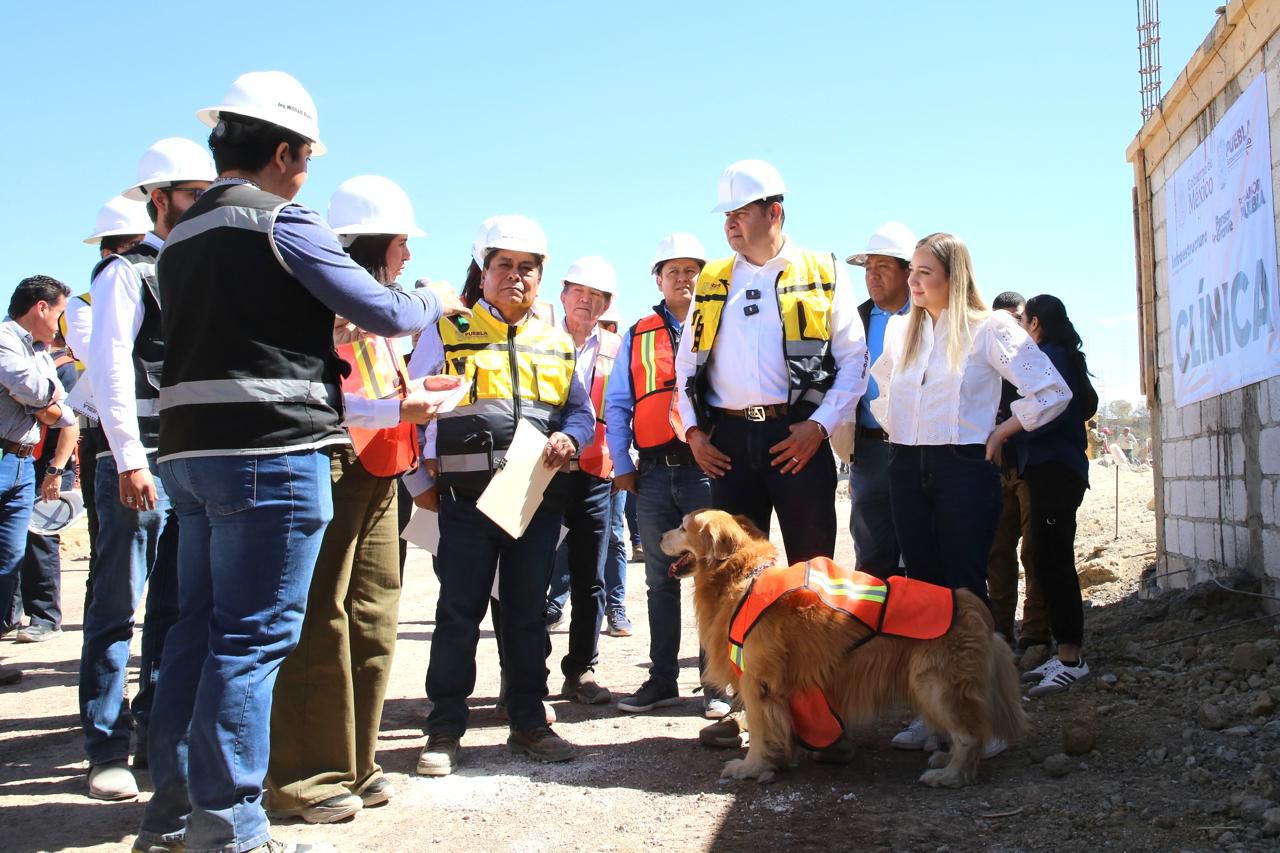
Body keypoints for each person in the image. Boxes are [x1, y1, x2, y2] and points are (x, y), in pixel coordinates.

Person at [134, 71, 457, 853]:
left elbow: (241, 331)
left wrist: (322, 332)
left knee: (194, 635)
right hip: (272, 456)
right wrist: (432, 298)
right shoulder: (281, 220)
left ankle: (171, 815)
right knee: (251, 642)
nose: (306, 173)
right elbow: (383, 307)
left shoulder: (181, 236)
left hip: (190, 456)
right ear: (282, 153)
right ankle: (232, 828)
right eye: (306, 157)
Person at [265, 176, 461, 824]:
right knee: (321, 618)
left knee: (372, 616)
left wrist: (411, 398)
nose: (408, 255)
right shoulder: (320, 302)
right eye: (402, 242)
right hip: (334, 462)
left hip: (381, 465)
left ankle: (355, 761)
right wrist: (397, 409)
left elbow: (372, 383)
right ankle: (304, 778)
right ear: (375, 242)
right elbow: (315, 397)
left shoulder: (374, 309)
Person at [870, 233, 1072, 756]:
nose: (913, 281)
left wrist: (1002, 431)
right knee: (921, 590)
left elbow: (1053, 390)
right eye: (911, 271)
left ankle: (986, 719)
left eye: (924, 272)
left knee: (964, 591)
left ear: (953, 277)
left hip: (963, 467)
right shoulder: (900, 330)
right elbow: (884, 393)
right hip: (906, 465)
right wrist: (901, 437)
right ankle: (934, 711)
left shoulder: (990, 328)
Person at [409, 215, 595, 777]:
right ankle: (444, 729)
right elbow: (410, 408)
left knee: (526, 615)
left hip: (533, 503)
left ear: (541, 277)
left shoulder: (557, 342)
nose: (516, 276)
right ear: (483, 272)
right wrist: (419, 484)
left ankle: (529, 721)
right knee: (457, 614)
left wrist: (571, 437)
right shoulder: (447, 331)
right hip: (464, 503)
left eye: (527, 268)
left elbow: (580, 412)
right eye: (504, 265)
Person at [80, 137, 214, 802]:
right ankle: (105, 744)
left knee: (175, 606)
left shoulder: (202, 270)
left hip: (189, 460)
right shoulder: (126, 273)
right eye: (193, 194)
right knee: (116, 604)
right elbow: (108, 368)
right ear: (159, 200)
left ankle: (158, 736)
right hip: (140, 459)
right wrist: (130, 460)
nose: (205, 205)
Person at [675, 160, 868, 564]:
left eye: (741, 212)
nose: (730, 223)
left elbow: (854, 359)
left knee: (812, 570)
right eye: (727, 215)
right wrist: (693, 432)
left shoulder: (824, 270)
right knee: (733, 572)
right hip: (727, 444)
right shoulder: (711, 278)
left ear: (774, 212)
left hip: (798, 438)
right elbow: (686, 365)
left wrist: (820, 426)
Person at [608, 233, 731, 720]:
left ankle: (715, 684)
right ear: (657, 279)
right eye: (672, 270)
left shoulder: (721, 324)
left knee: (713, 577)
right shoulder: (637, 334)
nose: (683, 278)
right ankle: (662, 679)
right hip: (655, 473)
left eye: (691, 270)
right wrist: (621, 464)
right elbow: (618, 403)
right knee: (661, 580)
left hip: (707, 469)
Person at [539, 256, 620, 701]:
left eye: (596, 296)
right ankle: (530, 671)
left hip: (594, 475)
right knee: (532, 574)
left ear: (606, 304)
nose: (586, 302)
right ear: (564, 295)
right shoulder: (538, 339)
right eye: (579, 293)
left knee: (591, 578)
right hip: (542, 472)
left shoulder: (617, 348)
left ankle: (582, 670)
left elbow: (623, 407)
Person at [64, 197, 152, 592]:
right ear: (108, 253)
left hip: (158, 428)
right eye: (134, 246)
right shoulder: (82, 306)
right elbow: (98, 352)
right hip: (106, 430)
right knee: (115, 552)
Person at [1016, 295, 1099, 696]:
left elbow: (1049, 413)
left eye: (1024, 322)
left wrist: (1009, 428)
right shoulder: (1067, 356)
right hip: (1058, 470)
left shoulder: (1050, 357)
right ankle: (1065, 650)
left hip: (1054, 472)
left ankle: (1070, 658)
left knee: (1056, 562)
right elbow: (1087, 405)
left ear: (1035, 323)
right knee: (1048, 560)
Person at [0, 275, 76, 686]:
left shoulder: (40, 352)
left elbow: (61, 411)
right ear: (41, 307)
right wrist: (44, 399)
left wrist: (41, 399)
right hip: (5, 457)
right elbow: (31, 389)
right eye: (60, 313)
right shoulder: (4, 340)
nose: (61, 325)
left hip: (21, 464)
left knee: (9, 561)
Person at [844, 221, 915, 577]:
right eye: (868, 268)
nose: (872, 275)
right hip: (869, 452)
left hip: (920, 449)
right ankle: (874, 611)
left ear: (908, 272)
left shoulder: (931, 317)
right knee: (871, 552)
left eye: (882, 267)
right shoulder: (853, 321)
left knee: (921, 547)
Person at [983, 291, 1050, 657]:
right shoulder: (988, 361)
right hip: (997, 470)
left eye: (1016, 318)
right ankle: (1001, 634)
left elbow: (1073, 402)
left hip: (1033, 467)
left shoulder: (1038, 360)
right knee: (997, 553)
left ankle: (1036, 634)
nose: (1010, 325)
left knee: (1035, 552)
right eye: (1003, 319)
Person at [4, 335, 79, 642]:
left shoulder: (63, 367)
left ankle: (45, 617)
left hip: (48, 463)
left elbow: (68, 422)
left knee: (40, 538)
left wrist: (56, 470)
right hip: (22, 460)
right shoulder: (21, 363)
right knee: (11, 543)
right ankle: (9, 616)